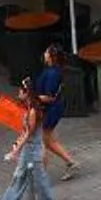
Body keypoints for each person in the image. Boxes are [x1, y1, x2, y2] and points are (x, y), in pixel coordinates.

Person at [0, 81, 59, 200]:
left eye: (21, 91)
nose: (18, 93)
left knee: (39, 180)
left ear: (26, 93)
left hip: (33, 150)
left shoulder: (33, 112)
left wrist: (15, 151)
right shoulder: (30, 108)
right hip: (29, 149)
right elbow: (25, 132)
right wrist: (17, 146)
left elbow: (28, 133)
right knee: (20, 176)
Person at [33, 43, 79, 175]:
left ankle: (41, 176)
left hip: (50, 110)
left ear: (51, 56)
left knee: (45, 141)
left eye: (46, 52)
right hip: (51, 109)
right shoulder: (51, 69)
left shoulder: (52, 73)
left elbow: (49, 97)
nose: (44, 54)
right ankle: (70, 162)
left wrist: (33, 97)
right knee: (49, 140)